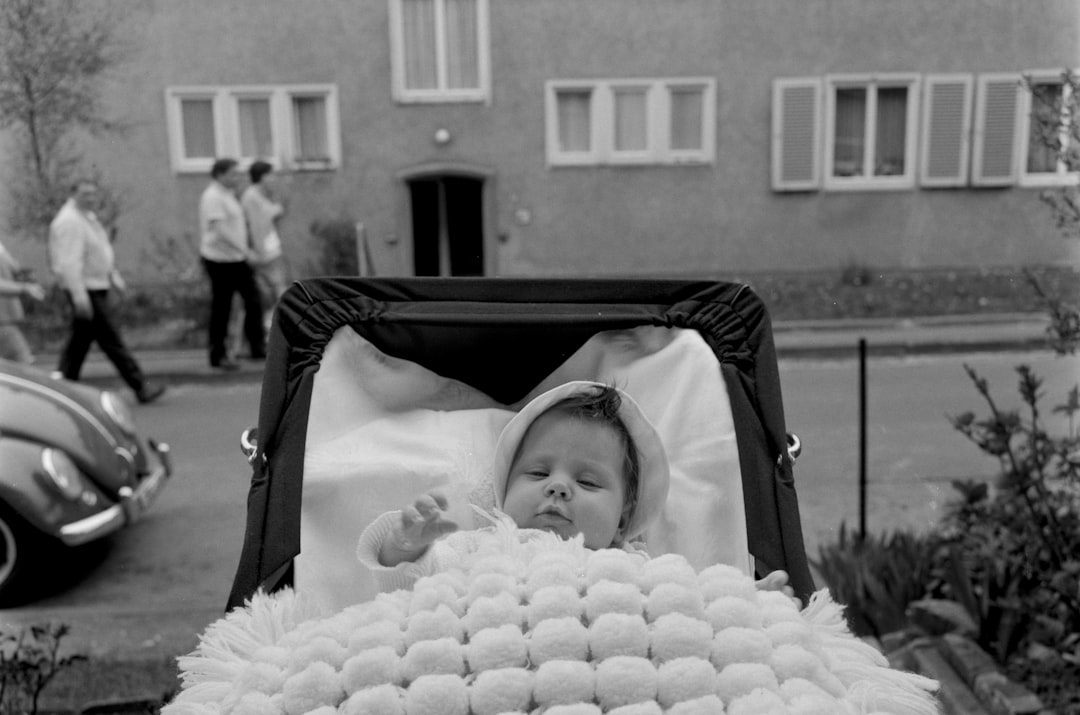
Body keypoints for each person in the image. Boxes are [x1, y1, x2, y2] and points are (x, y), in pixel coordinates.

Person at [357, 380, 794, 597]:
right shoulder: (478, 547)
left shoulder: (635, 570)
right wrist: (406, 546)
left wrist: (744, 602)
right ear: (502, 496)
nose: (559, 488)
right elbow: (408, 588)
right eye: (537, 474)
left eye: (586, 481)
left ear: (624, 518)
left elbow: (687, 609)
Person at [48, 181, 166, 404]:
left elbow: (99, 250)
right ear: (72, 194)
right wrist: (79, 295)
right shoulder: (69, 222)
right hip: (86, 289)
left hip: (96, 285)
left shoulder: (86, 217)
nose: (91, 198)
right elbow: (70, 261)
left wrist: (113, 275)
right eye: (85, 194)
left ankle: (62, 387)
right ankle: (140, 386)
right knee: (111, 339)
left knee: (79, 343)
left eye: (93, 194)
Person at [199, 158, 265, 370]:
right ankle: (217, 354)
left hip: (235, 259)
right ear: (220, 174)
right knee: (223, 307)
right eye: (233, 174)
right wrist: (244, 250)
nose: (237, 178)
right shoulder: (213, 197)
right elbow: (220, 230)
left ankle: (257, 347)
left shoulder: (227, 195)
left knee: (253, 300)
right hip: (221, 261)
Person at [240, 160, 288, 333]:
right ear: (261, 177)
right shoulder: (251, 196)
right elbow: (255, 227)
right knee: (272, 292)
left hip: (272, 249)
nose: (273, 179)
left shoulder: (262, 196)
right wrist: (259, 253)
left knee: (278, 290)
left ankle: (274, 328)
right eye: (270, 175)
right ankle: (271, 329)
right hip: (264, 254)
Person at [0, 238, 45, 364]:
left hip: (7, 319)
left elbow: (14, 266)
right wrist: (24, 288)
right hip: (3, 322)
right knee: (23, 364)